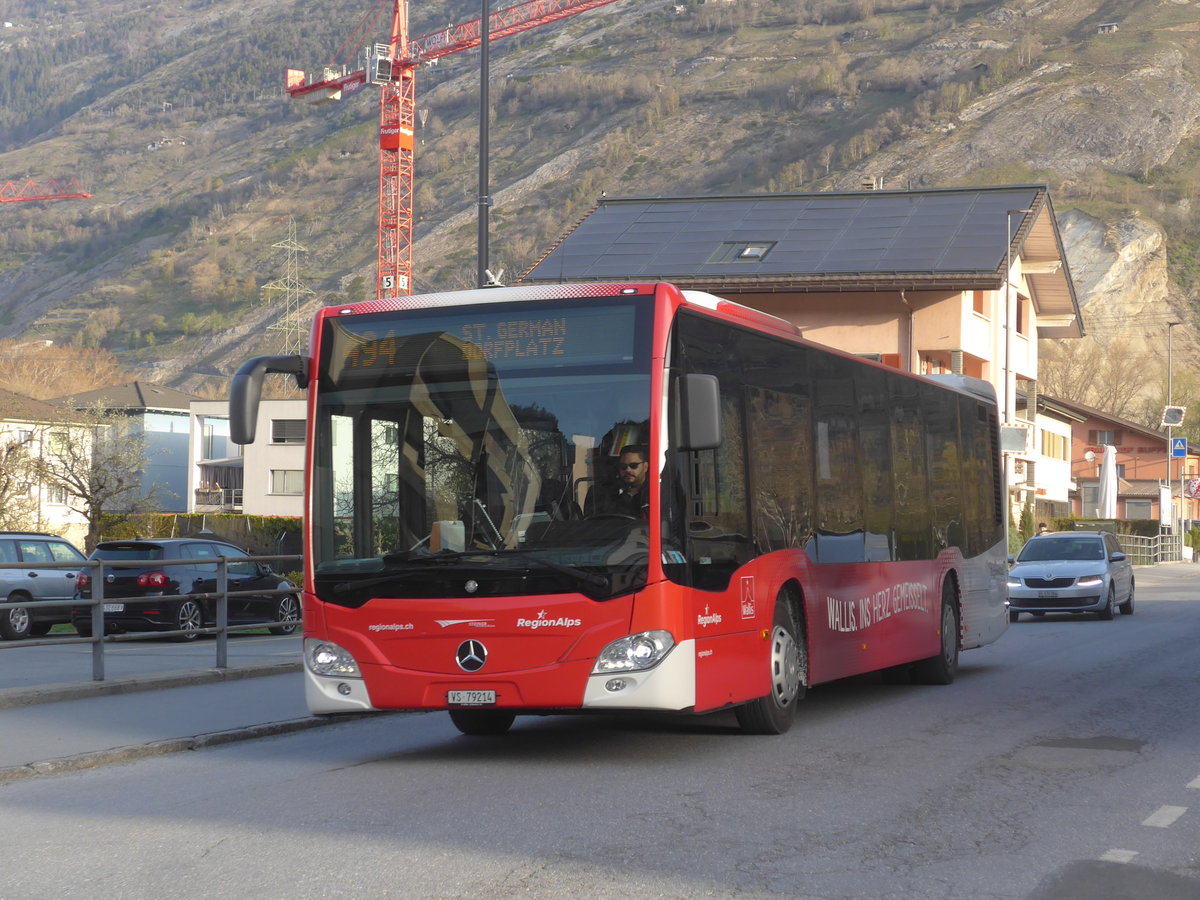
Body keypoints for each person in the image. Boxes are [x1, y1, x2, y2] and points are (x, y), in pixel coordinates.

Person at [590, 443, 650, 519]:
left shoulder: (654, 493)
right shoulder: (606, 493)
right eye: (623, 466)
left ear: (645, 467)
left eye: (633, 466)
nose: (628, 470)